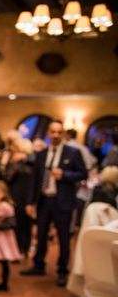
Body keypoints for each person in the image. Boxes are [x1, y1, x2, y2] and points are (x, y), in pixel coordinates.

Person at [21, 120, 88, 286]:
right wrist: (30, 202)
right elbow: (35, 179)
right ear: (48, 134)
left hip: (63, 200)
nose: (56, 135)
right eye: (53, 132)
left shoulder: (72, 153)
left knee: (64, 236)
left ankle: (62, 270)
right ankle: (38, 264)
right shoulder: (42, 154)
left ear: (63, 134)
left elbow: (83, 173)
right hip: (44, 199)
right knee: (41, 233)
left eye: (59, 132)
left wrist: (64, 174)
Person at [4, 137, 34, 257]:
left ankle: (20, 248)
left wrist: (8, 163)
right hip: (22, 196)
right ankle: (22, 248)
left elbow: (8, 177)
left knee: (21, 223)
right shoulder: (29, 162)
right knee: (23, 223)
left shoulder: (23, 162)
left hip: (20, 196)